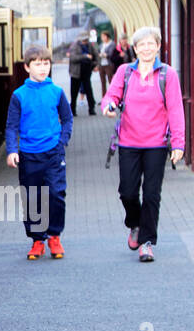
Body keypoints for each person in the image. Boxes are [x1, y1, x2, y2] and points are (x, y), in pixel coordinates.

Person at [100, 26, 186, 262]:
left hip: (157, 144)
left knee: (151, 194)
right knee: (127, 192)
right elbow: (111, 97)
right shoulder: (125, 72)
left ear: (158, 46)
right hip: (128, 142)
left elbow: (175, 109)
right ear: (135, 49)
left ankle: (147, 242)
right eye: (142, 45)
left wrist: (178, 143)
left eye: (151, 44)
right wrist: (107, 106)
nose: (147, 48)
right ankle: (134, 224)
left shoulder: (168, 74)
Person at [5, 44, 73, 260]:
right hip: (28, 154)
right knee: (33, 197)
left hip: (53, 153)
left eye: (46, 64)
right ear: (27, 67)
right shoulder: (19, 95)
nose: (43, 68)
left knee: (56, 193)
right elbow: (12, 126)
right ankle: (37, 240)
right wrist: (12, 150)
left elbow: (68, 118)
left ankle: (54, 236)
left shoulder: (56, 92)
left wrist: (62, 141)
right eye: (37, 64)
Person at [67, 33, 97, 116]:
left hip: (86, 71)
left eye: (86, 40)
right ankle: (72, 110)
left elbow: (96, 55)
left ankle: (92, 109)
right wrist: (85, 56)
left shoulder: (90, 45)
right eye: (84, 40)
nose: (85, 42)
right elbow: (73, 58)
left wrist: (95, 64)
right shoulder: (74, 46)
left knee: (89, 91)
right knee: (74, 92)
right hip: (76, 73)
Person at [97, 30, 122, 96]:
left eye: (103, 36)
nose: (102, 38)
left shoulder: (112, 44)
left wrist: (104, 55)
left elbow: (110, 54)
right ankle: (104, 96)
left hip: (109, 64)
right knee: (103, 82)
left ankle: (112, 95)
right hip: (101, 64)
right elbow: (98, 53)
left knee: (111, 80)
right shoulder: (101, 45)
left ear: (107, 37)